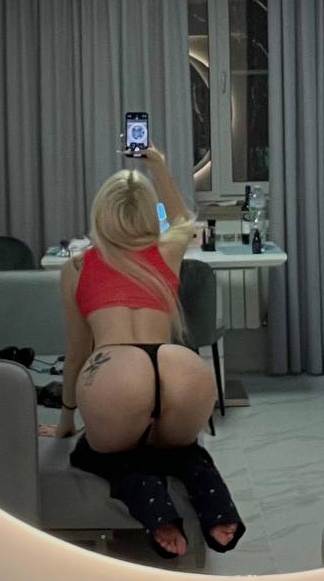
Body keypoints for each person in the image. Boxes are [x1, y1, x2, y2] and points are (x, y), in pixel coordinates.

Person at [41, 145, 244, 559]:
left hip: (116, 373)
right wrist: (160, 168)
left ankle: (155, 509)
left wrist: (65, 422)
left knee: (99, 456)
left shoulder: (76, 267)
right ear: (150, 216)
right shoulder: (167, 251)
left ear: (102, 215)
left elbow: (77, 353)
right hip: (180, 371)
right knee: (183, 453)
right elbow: (183, 220)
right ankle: (217, 510)